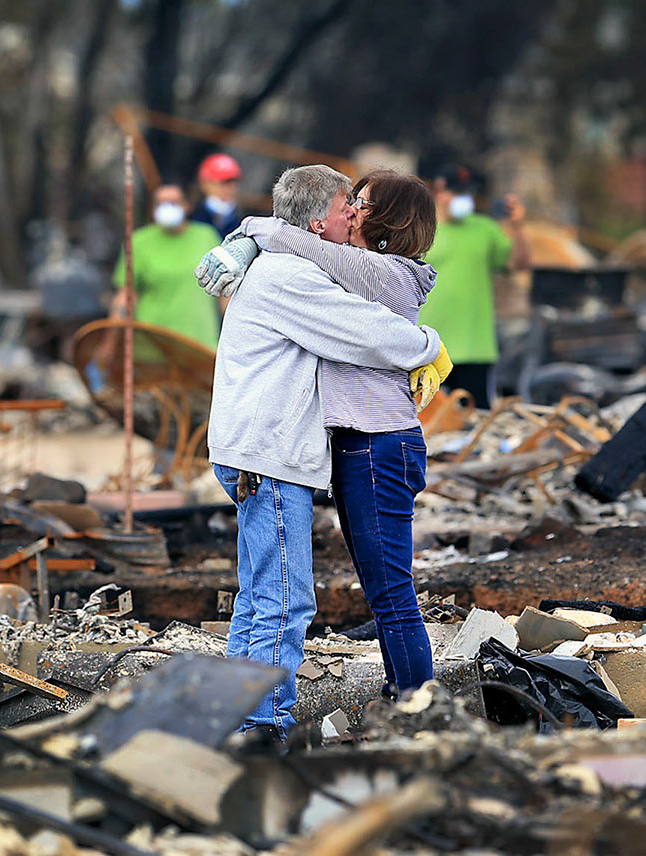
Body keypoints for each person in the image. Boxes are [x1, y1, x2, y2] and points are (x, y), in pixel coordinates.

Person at [200, 165, 448, 743]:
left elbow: (363, 316)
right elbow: (365, 332)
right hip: (270, 455)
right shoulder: (294, 277)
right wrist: (431, 346)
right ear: (319, 221)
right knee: (283, 600)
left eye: (363, 206)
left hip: (298, 451)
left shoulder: (365, 271)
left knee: (269, 596)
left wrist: (244, 239)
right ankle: (262, 725)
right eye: (348, 206)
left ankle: (249, 718)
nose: (353, 216)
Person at [418, 163, 531, 407]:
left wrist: (518, 227)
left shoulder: (485, 229)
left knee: (476, 422)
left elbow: (519, 264)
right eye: (457, 192)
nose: (463, 199)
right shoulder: (421, 229)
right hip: (428, 346)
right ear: (439, 191)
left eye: (466, 193)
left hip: (475, 347)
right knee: (428, 424)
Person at [112, 184, 222, 348]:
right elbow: (126, 297)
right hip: (153, 346)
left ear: (187, 206)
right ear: (153, 209)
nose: (168, 208)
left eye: (174, 202)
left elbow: (224, 293)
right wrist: (110, 341)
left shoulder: (207, 236)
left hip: (201, 345)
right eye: (161, 203)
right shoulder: (139, 242)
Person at [190, 153, 243, 237]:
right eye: (224, 183)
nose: (230, 189)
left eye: (234, 183)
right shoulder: (192, 219)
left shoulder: (244, 223)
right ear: (205, 184)